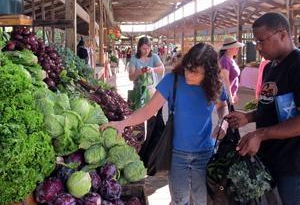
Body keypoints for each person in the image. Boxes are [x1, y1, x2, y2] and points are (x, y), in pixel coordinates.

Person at [101, 43, 228, 205]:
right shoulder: (173, 80)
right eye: (187, 68)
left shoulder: (215, 84)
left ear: (208, 73)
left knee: (201, 199)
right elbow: (148, 110)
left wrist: (223, 123)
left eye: (195, 72)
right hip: (177, 154)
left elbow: (222, 106)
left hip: (205, 153)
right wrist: (123, 123)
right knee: (179, 199)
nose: (188, 74)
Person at [226, 12, 300, 205]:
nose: (258, 47)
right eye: (255, 42)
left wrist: (261, 134)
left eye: (261, 41)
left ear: (282, 34)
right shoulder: (270, 67)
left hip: (292, 165)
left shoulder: (297, 65)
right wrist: (248, 117)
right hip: (268, 159)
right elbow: (271, 106)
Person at [219, 37, 244, 104]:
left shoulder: (230, 59)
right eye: (236, 47)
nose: (238, 49)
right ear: (228, 49)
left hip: (229, 94)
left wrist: (234, 94)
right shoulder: (224, 61)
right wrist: (229, 96)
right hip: (225, 96)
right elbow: (225, 80)